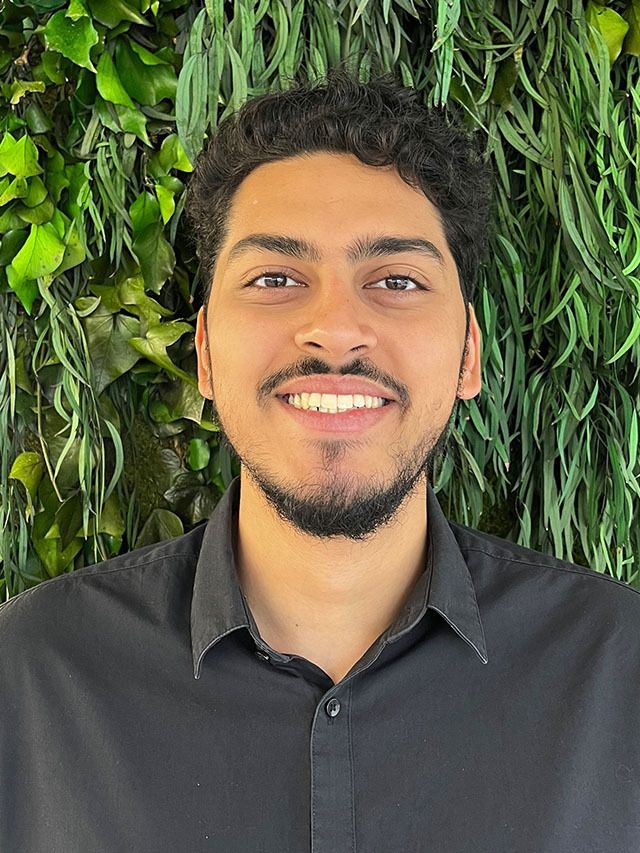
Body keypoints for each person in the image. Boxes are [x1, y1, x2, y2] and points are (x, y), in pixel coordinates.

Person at [1, 67, 638, 853]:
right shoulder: (28, 676)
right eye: (275, 278)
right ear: (203, 353)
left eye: (396, 279)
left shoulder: (621, 672)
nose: (335, 330)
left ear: (470, 353)